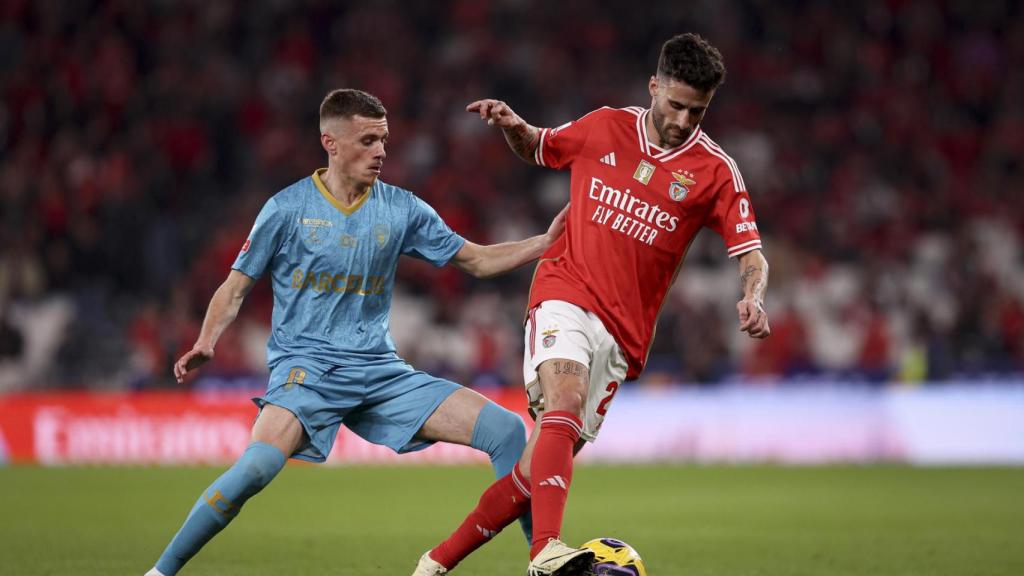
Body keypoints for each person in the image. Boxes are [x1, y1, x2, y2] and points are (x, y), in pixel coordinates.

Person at [145, 88, 564, 576]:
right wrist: (206, 341)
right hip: (307, 371)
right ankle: (160, 573)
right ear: (331, 143)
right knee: (257, 469)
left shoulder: (402, 209)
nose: (381, 151)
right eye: (367, 140)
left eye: (384, 140)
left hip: (379, 372)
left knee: (508, 429)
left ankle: (543, 560)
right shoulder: (286, 209)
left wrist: (544, 242)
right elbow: (235, 287)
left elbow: (474, 258)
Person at [412, 33, 771, 576]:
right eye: (674, 104)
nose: (680, 119)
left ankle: (434, 564)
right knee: (566, 398)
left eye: (695, 110)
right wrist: (514, 126)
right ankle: (546, 553)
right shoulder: (603, 126)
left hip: (622, 335)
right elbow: (538, 144)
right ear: (654, 87)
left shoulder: (715, 171)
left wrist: (753, 294)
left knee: (534, 474)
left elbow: (752, 253)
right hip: (564, 289)